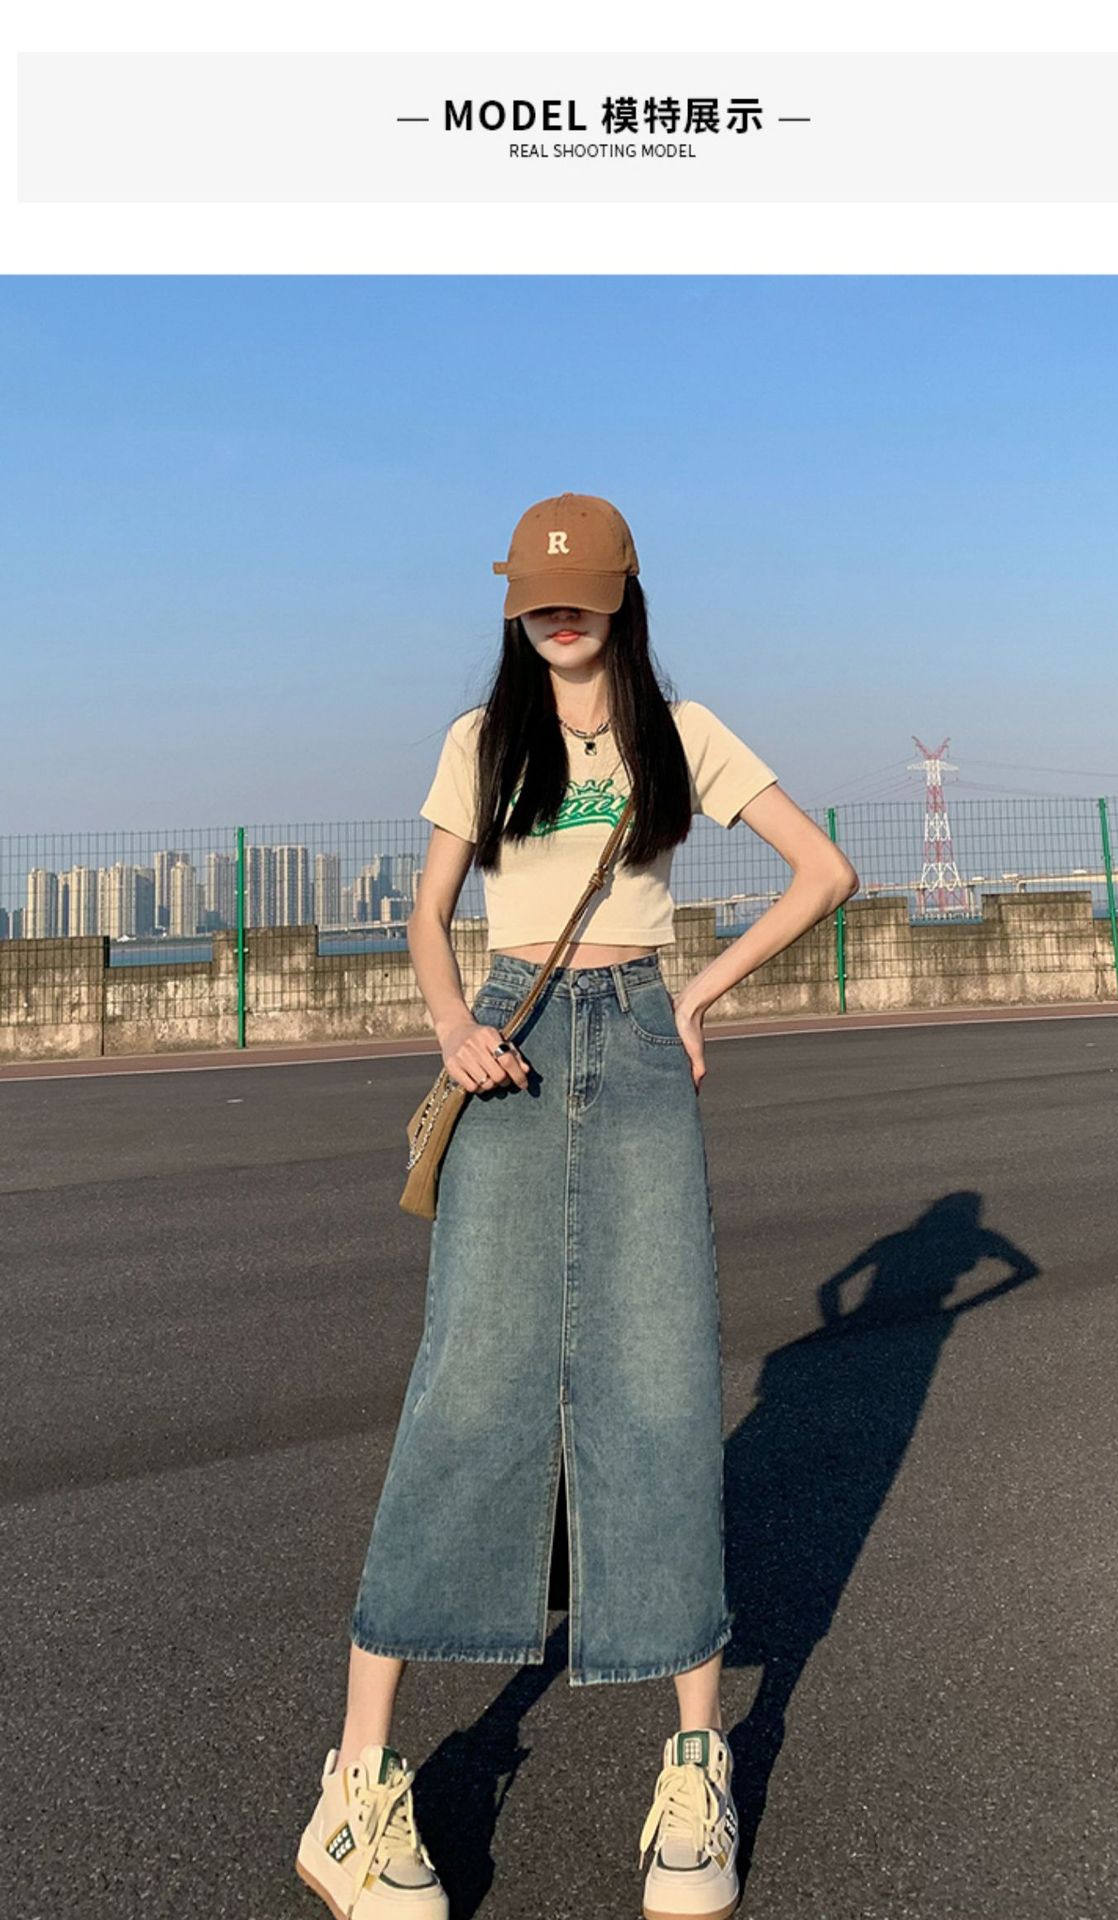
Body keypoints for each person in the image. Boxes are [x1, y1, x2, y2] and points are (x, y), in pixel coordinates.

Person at [296, 492, 859, 1920]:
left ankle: (696, 1766)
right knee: (472, 1385)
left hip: (641, 1040)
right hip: (509, 1040)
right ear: (514, 606)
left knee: (662, 1387)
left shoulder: (685, 731)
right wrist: (450, 1027)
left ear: (621, 596)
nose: (559, 611)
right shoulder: (482, 740)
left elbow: (825, 872)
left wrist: (700, 995)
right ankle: (354, 1787)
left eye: (582, 591)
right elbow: (428, 912)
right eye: (538, 594)